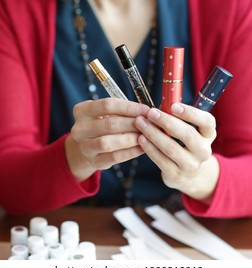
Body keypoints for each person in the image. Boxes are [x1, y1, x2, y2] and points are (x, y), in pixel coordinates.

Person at [0, 0, 252, 217]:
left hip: (186, 236)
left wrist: (199, 176)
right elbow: (8, 183)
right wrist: (77, 155)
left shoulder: (230, 8)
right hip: (67, 233)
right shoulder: (15, 11)